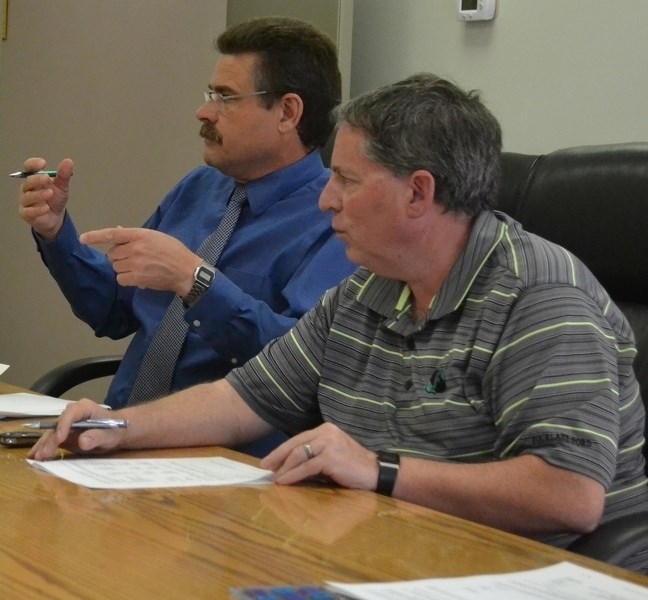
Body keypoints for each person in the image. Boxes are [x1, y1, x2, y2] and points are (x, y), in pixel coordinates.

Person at [30, 73, 648, 571]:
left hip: (518, 571)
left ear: (418, 193)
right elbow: (246, 397)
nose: (326, 201)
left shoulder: (541, 296)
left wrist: (380, 470)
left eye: (346, 181)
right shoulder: (367, 287)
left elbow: (570, 494)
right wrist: (116, 426)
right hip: (387, 553)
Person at [17, 17, 354, 454]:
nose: (204, 112)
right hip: (117, 436)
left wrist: (196, 282)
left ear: (288, 113)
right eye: (210, 94)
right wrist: (56, 232)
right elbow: (113, 312)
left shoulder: (335, 219)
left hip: (219, 460)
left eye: (226, 98)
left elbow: (300, 365)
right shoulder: (199, 188)